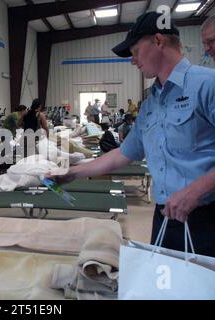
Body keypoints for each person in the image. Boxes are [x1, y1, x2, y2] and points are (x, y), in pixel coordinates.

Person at [48, 11, 215, 257]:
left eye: (135, 51)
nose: (133, 61)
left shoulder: (207, 85)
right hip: (166, 218)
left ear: (158, 41)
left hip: (208, 217)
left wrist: (195, 191)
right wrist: (72, 173)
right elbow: (123, 155)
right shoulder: (150, 104)